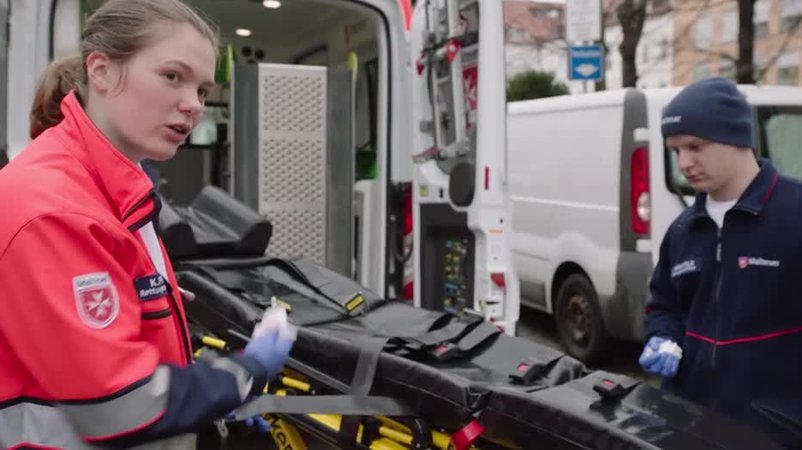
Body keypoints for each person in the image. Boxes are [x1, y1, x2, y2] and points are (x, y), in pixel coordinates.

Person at [0, 1, 293, 448]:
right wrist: (243, 373)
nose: (193, 105)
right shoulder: (54, 208)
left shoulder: (115, 186)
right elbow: (121, 403)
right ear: (100, 71)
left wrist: (204, 403)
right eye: (172, 76)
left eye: (202, 89)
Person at [640, 77, 802, 448]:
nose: (684, 163)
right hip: (688, 426)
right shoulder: (684, 229)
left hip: (774, 432)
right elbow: (663, 305)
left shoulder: (795, 215)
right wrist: (662, 336)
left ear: (737, 137)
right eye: (675, 150)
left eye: (695, 146)